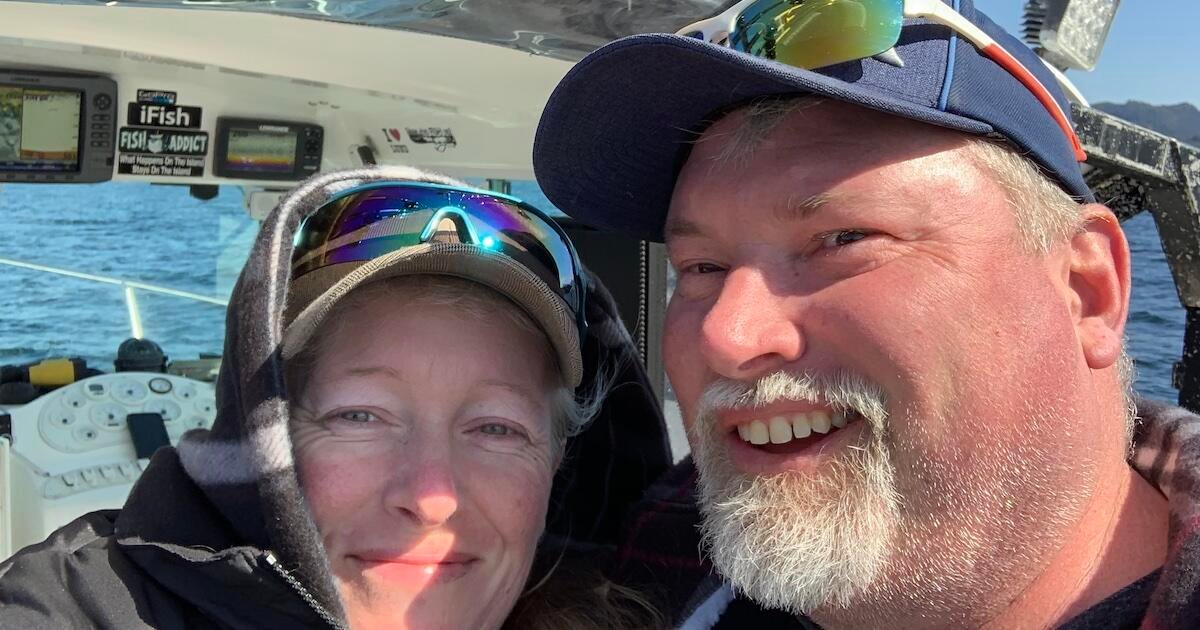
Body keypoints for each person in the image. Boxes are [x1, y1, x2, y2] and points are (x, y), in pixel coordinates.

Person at [533, 0, 1200, 628]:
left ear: (1088, 289)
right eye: (702, 268)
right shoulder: (663, 550)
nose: (726, 336)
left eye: (843, 240)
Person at [0, 166, 671, 629]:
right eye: (361, 415)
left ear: (558, 462)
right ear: (266, 433)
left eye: (497, 428)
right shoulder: (84, 605)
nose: (432, 494)